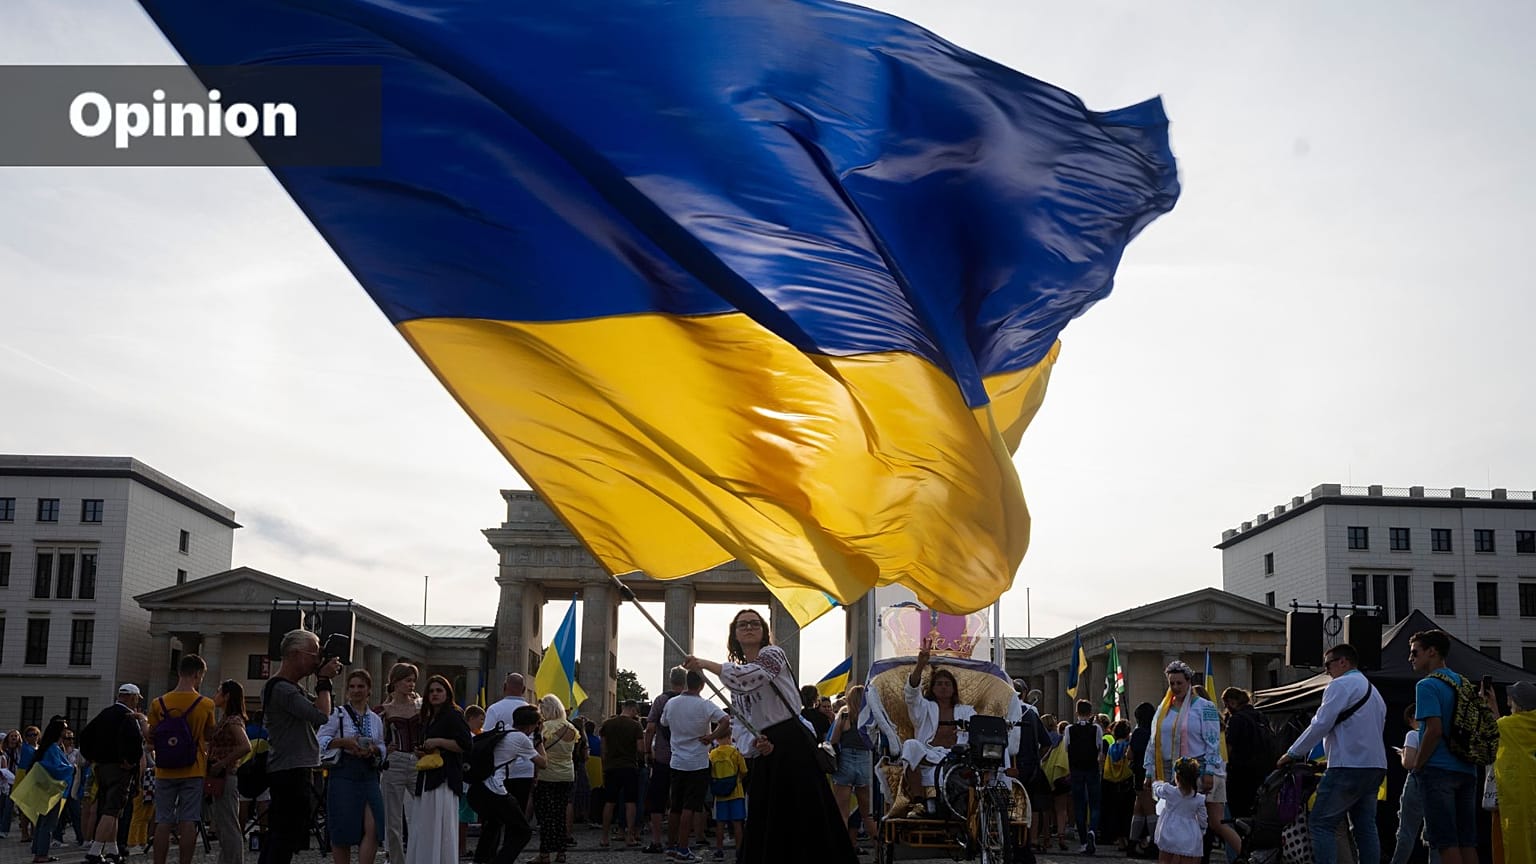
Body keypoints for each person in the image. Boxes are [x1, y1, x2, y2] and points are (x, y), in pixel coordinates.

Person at [684, 608, 858, 864]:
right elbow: (742, 722)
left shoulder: (772, 655)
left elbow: (751, 677)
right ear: (734, 634)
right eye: (742, 625)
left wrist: (706, 664)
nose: (749, 627)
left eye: (755, 623)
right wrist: (754, 743)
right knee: (769, 813)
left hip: (792, 740)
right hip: (767, 747)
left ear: (765, 631)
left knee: (804, 810)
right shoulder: (735, 681)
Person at [1279, 642, 1386, 864]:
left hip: (1348, 766)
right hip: (1375, 766)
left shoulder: (1340, 685)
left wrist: (1293, 752)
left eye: (1328, 665)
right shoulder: (1374, 692)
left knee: (1320, 824)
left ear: (1343, 662)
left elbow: (1320, 723)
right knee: (1365, 827)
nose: (1326, 671)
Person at [263, 629, 343, 864]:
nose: (317, 660)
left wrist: (324, 683)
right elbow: (321, 715)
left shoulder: (287, 688)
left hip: (290, 767)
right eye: (314, 654)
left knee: (282, 836)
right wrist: (323, 680)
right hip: (290, 770)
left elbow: (322, 705)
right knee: (283, 837)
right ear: (296, 654)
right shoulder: (283, 689)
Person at [1404, 630, 1476, 864]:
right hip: (1467, 769)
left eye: (1415, 652)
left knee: (1446, 842)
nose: (1410, 658)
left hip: (1438, 770)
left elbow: (1433, 730)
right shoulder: (1463, 683)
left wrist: (1418, 764)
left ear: (1432, 652)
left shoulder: (1427, 685)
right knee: (1466, 842)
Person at [147, 654, 216, 864]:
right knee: (189, 818)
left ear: (179, 672)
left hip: (164, 768)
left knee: (163, 819)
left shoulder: (158, 703)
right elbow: (209, 735)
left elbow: (151, 736)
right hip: (193, 768)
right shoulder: (205, 704)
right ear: (198, 675)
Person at [899, 645, 977, 815]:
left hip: (957, 759)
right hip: (929, 756)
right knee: (911, 746)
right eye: (939, 684)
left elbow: (977, 733)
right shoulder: (925, 707)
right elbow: (911, 695)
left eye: (947, 684)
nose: (943, 687)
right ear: (932, 688)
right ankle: (919, 803)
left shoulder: (966, 711)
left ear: (953, 689)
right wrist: (920, 665)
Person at [318, 670, 386, 864]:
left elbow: (381, 744)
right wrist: (344, 742)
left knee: (373, 827)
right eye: (353, 687)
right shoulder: (337, 714)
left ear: (369, 690)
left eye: (361, 686)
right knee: (343, 829)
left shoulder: (375, 719)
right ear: (347, 691)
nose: (356, 690)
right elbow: (320, 740)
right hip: (343, 773)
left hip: (368, 774)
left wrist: (373, 750)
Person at [660, 669, 726, 862]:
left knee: (676, 806)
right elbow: (725, 720)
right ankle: (683, 848)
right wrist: (711, 736)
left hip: (677, 760)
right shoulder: (705, 705)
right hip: (697, 762)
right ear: (702, 685)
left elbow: (664, 722)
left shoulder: (671, 703)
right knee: (690, 806)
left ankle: (671, 847)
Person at [407, 676, 473, 864]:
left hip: (444, 778)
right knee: (425, 824)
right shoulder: (429, 718)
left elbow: (466, 744)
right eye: (431, 691)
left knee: (439, 825)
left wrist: (438, 742)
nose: (435, 694)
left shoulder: (454, 714)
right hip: (428, 776)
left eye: (439, 690)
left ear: (447, 693)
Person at [474, 673, 536, 864]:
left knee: (493, 820)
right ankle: (507, 856)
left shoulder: (494, 708)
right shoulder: (531, 709)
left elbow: (487, 737)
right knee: (516, 819)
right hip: (525, 769)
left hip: (498, 772)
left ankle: (487, 856)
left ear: (504, 686)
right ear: (524, 690)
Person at [80, 684, 145, 864]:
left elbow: (84, 735)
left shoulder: (104, 714)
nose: (137, 702)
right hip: (120, 769)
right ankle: (94, 851)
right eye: (137, 699)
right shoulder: (128, 717)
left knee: (112, 809)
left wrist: (92, 757)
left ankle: (112, 848)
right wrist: (130, 761)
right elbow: (136, 742)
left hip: (102, 767)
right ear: (132, 697)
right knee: (112, 810)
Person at [1484, 680, 1535, 864]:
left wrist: (1488, 705)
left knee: (1516, 846)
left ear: (1518, 703)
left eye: (1511, 701)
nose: (1508, 705)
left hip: (1516, 801)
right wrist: (1494, 706)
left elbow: (1494, 727)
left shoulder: (1509, 726)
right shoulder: (1520, 726)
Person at [377, 662, 422, 864]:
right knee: (393, 818)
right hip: (394, 762)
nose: (411, 684)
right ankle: (397, 860)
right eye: (407, 680)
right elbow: (376, 737)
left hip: (418, 761)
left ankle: (419, 856)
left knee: (423, 811)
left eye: (413, 680)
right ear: (395, 682)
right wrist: (386, 748)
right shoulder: (384, 710)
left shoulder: (421, 706)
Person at [829, 684, 880, 852]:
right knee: (867, 814)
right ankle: (878, 849)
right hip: (865, 763)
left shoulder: (844, 715)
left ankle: (842, 851)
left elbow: (834, 740)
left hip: (845, 763)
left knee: (842, 812)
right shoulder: (870, 718)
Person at [643, 667, 687, 855]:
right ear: (685, 681)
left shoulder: (661, 700)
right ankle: (678, 841)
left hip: (662, 756)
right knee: (680, 801)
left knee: (658, 800)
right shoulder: (690, 701)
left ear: (670, 680)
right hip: (684, 757)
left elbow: (650, 727)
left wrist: (647, 751)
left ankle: (656, 841)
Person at [208, 680, 252, 864]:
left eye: (219, 691)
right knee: (224, 824)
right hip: (222, 776)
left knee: (229, 825)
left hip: (226, 776)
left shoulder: (233, 721)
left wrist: (223, 763)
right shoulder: (226, 719)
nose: (215, 695)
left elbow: (245, 746)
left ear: (226, 696)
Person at [531, 696, 578, 864]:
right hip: (567, 775)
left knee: (546, 818)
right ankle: (561, 852)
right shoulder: (571, 728)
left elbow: (537, 751)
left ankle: (544, 854)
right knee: (560, 815)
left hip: (547, 775)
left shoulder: (545, 728)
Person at [1388, 707, 1437, 864]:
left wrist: (1403, 754)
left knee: (1406, 832)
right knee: (1435, 834)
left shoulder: (1412, 735)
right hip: (1437, 784)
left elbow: (1409, 763)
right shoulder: (1440, 735)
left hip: (1417, 782)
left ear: (1410, 719)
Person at [1219, 688, 1271, 821]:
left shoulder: (1236, 720)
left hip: (1240, 774)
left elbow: (1228, 749)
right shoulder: (1261, 716)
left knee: (1238, 813)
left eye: (1226, 704)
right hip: (1261, 771)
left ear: (1231, 702)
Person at [598, 701, 643, 848]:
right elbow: (640, 749)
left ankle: (605, 837)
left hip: (611, 767)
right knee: (630, 802)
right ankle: (630, 836)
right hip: (629, 766)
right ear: (632, 709)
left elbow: (603, 749)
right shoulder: (636, 726)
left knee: (609, 802)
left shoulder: (607, 724)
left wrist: (604, 766)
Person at [1065, 700, 1105, 855]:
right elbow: (1100, 749)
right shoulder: (1096, 729)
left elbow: (1066, 748)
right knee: (1095, 804)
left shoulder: (1069, 729)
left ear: (1076, 713)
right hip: (1092, 770)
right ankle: (1092, 830)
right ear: (1090, 714)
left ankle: (1083, 841)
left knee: (1079, 805)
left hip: (1076, 770)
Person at [1152, 758, 1209, 864]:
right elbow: (1203, 818)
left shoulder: (1169, 791)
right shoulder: (1199, 799)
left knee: (1164, 860)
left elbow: (1157, 790)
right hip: (1189, 834)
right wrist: (1202, 830)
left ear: (1177, 777)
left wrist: (1156, 782)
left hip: (1169, 832)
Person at [707, 726, 747, 863]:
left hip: (720, 795)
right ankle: (739, 850)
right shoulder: (735, 752)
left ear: (717, 738)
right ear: (730, 737)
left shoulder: (712, 754)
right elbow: (744, 770)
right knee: (737, 823)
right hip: (736, 792)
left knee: (720, 823)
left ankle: (719, 850)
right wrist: (738, 780)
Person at [1127, 702, 1159, 857]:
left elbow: (1129, 755)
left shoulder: (1138, 732)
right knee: (1149, 809)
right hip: (1149, 772)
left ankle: (1132, 844)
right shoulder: (1153, 732)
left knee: (1139, 810)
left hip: (1138, 772)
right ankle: (1154, 844)